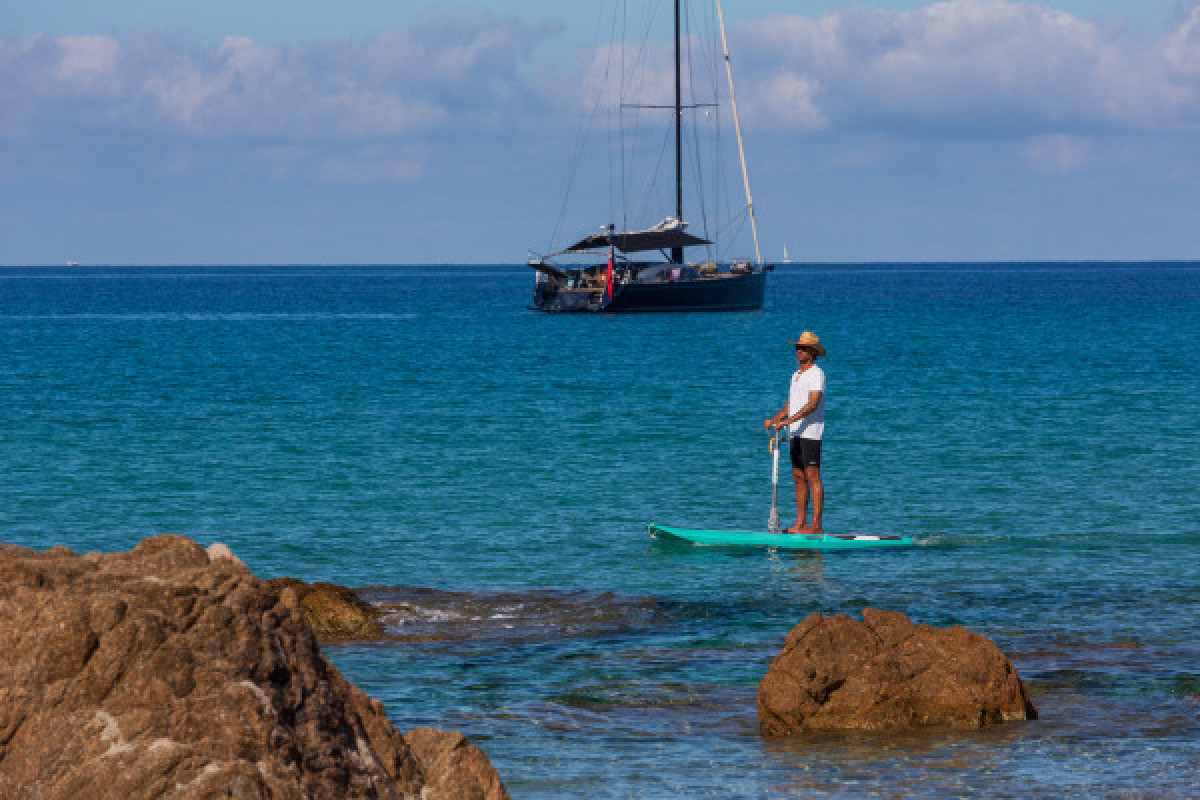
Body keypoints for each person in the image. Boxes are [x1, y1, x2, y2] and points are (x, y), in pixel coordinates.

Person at [763, 331, 827, 534]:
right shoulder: (796, 375)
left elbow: (813, 404)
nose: (799, 351)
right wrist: (776, 419)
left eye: (803, 348)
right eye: (798, 347)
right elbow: (792, 403)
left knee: (813, 475)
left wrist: (788, 421)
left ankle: (816, 526)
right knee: (798, 476)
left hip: (811, 433)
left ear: (812, 352)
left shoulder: (817, 374)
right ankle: (800, 523)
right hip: (795, 433)